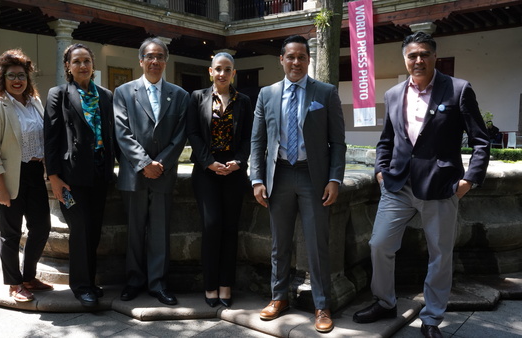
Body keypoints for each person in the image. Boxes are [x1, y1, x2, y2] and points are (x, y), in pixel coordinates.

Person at [352, 32, 490, 338]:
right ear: (405, 58)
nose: (418, 60)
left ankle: (431, 318)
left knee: (439, 255)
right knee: (379, 244)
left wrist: (469, 179)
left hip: (441, 187)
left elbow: (481, 141)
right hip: (398, 186)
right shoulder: (393, 94)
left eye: (424, 54)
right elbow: (386, 140)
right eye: (412, 55)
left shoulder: (457, 90)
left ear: (434, 57)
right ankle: (385, 301)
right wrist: (380, 171)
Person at [250, 35, 346, 333]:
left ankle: (321, 305)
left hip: (312, 177)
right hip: (279, 176)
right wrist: (256, 179)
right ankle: (279, 298)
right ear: (281, 59)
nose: (295, 62)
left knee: (318, 243)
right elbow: (257, 141)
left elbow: (338, 142)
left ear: (308, 60)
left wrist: (334, 178)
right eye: (290, 57)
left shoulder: (326, 93)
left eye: (301, 57)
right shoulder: (266, 94)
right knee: (279, 243)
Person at [114, 38, 189, 306]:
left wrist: (161, 164)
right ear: (141, 61)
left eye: (160, 57)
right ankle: (134, 281)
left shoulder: (180, 95)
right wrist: (145, 163)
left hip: (164, 175)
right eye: (150, 56)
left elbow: (181, 136)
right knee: (134, 231)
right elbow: (122, 133)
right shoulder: (123, 92)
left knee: (160, 231)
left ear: (165, 61)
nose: (155, 61)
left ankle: (158, 284)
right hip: (134, 174)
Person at [44, 43, 116, 307]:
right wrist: (53, 177)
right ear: (68, 66)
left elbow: (112, 134)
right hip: (71, 177)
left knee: (94, 230)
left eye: (87, 61)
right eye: (77, 61)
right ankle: (81, 286)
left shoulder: (106, 95)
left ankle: (90, 283)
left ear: (93, 65)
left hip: (99, 172)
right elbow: (50, 139)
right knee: (80, 229)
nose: (83, 65)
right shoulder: (58, 94)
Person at [0, 49, 53, 302]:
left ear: (27, 77)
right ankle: (14, 283)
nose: (17, 80)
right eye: (11, 76)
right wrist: (0, 188)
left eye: (21, 75)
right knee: (10, 233)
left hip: (34, 173)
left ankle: (29, 276)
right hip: (9, 176)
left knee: (42, 227)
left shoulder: (35, 103)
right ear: (2, 79)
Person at [186, 52, 253, 308]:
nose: (222, 73)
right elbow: (192, 132)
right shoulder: (197, 97)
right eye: (218, 69)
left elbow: (249, 136)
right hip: (206, 171)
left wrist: (239, 161)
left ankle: (226, 285)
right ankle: (210, 285)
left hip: (234, 171)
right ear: (210, 71)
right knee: (212, 226)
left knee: (229, 229)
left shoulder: (244, 101)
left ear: (233, 73)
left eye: (228, 69)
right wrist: (208, 162)